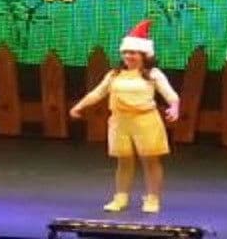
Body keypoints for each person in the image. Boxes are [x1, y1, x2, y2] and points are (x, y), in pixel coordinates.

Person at [68, 20, 179, 214]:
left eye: (133, 53)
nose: (128, 56)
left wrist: (174, 107)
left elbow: (170, 94)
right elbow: (97, 93)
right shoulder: (114, 74)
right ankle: (120, 197)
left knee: (150, 160)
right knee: (124, 160)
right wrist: (79, 106)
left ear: (144, 55)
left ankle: (152, 198)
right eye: (126, 52)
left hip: (145, 120)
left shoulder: (153, 74)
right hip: (120, 121)